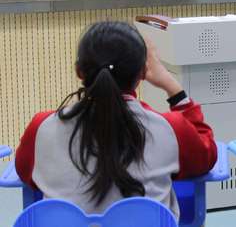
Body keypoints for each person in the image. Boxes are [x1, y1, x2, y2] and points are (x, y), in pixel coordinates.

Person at [15, 21, 217, 220]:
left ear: (79, 71)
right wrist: (175, 90)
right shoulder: (171, 129)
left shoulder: (42, 127)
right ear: (143, 74)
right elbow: (205, 157)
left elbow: (26, 174)